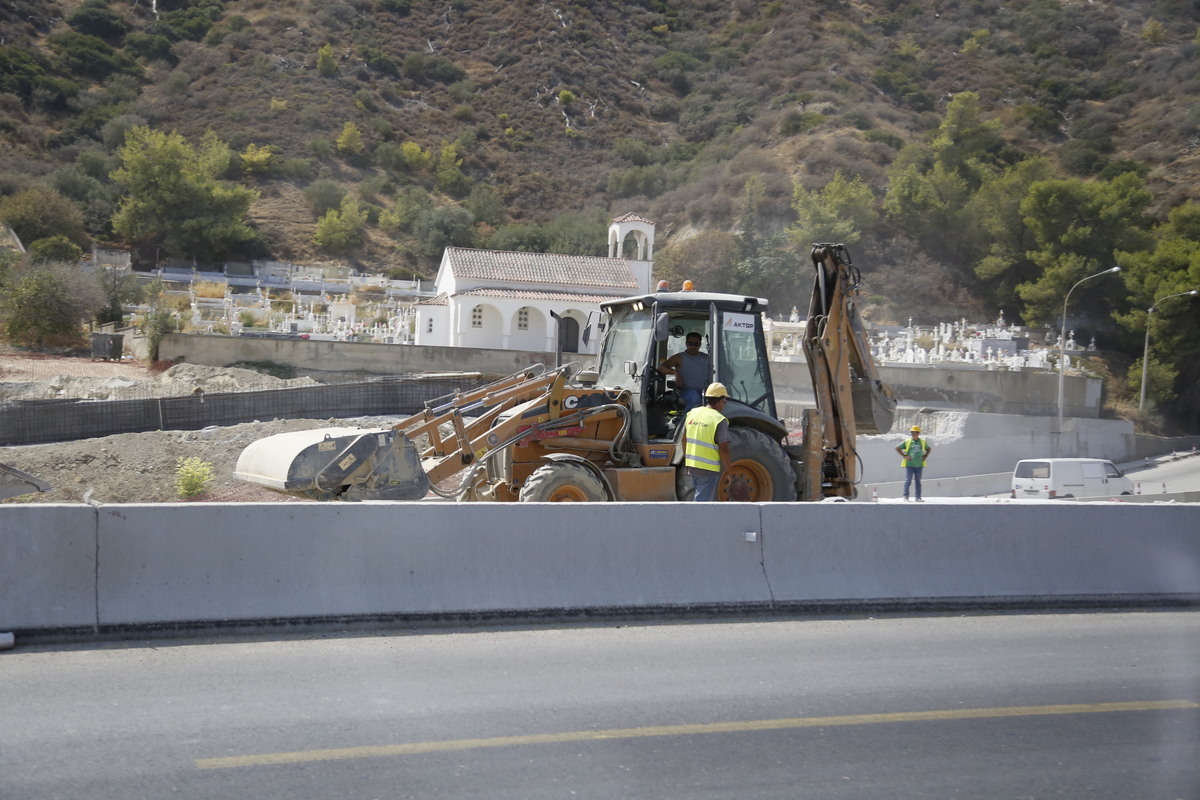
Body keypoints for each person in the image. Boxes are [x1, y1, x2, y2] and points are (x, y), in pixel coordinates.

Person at [682, 382, 733, 502]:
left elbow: (683, 439)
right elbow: (724, 450)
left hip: (693, 467)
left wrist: (687, 462)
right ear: (721, 401)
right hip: (708, 470)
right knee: (702, 506)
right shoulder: (719, 420)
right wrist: (729, 472)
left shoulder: (692, 413)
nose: (724, 405)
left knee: (698, 500)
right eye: (725, 401)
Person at [658, 332, 710, 412]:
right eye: (690, 343)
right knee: (695, 397)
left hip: (706, 391)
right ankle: (687, 421)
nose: (693, 346)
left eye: (696, 344)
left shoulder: (707, 358)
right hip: (686, 391)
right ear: (686, 343)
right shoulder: (679, 358)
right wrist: (675, 373)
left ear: (700, 344)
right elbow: (661, 368)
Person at [895, 424, 931, 501]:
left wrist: (925, 456)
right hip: (910, 465)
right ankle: (905, 496)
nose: (913, 434)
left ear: (918, 433)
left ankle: (918, 497)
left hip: (919, 465)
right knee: (908, 481)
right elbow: (897, 448)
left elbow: (929, 448)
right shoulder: (907, 442)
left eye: (914, 432)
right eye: (912, 432)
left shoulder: (922, 442)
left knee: (918, 482)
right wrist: (904, 456)